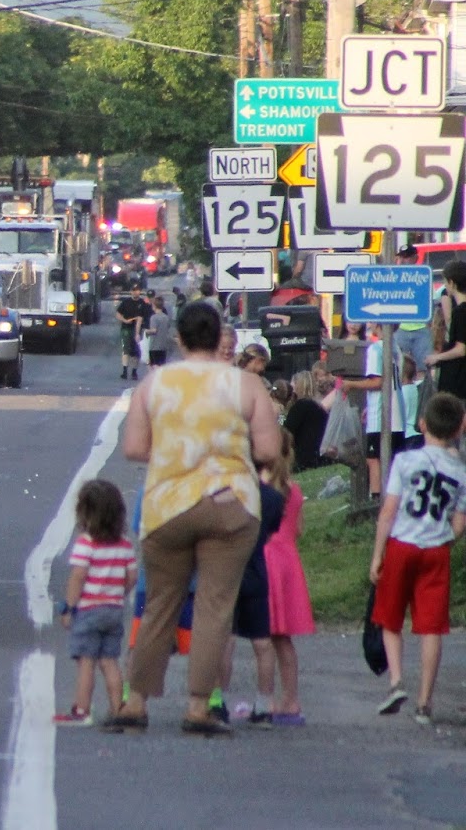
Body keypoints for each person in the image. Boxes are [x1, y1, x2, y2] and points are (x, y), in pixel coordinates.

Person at [108, 302, 280, 737]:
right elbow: (268, 451)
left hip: (167, 505)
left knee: (160, 605)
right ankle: (200, 706)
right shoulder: (247, 385)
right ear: (220, 336)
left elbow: (132, 447)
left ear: (179, 339)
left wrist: (174, 455)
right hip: (231, 504)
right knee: (214, 606)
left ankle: (135, 701)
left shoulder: (154, 384)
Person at [368, 392, 466, 725]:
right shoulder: (460, 471)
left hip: (402, 544)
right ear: (458, 429)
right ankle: (425, 702)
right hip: (436, 551)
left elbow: (389, 511)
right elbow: (459, 524)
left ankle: (396, 681)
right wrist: (442, 537)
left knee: (390, 617)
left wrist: (377, 554)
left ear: (421, 424)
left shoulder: (405, 461)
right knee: (431, 626)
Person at [53, 480, 138, 727]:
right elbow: (131, 576)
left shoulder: (86, 544)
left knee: (86, 662)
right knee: (109, 660)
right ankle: (118, 707)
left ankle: (81, 709)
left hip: (89, 610)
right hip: (114, 610)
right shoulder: (124, 545)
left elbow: (78, 576)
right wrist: (118, 593)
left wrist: (69, 608)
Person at [212, 441, 285, 728]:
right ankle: (264, 704)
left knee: (225, 640)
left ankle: (218, 701)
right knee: (262, 643)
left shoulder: (224, 497)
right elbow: (270, 533)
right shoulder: (272, 499)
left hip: (227, 572)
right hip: (256, 572)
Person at [263, 431, 314, 726]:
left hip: (267, 558)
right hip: (287, 561)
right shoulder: (293, 489)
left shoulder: (261, 488)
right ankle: (290, 698)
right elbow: (296, 529)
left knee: (265, 638)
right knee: (282, 638)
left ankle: (267, 698)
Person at [349, 328, 415, 495]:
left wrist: (351, 385)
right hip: (397, 412)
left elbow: (378, 382)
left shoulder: (375, 349)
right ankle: (396, 496)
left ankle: (377, 499)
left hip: (381, 415)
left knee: (373, 459)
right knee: (393, 460)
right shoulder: (396, 348)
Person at [425, 261, 466, 403]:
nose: (445, 285)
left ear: (452, 283)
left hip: (457, 381)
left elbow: (461, 349)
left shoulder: (460, 312)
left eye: (445, 281)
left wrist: (437, 358)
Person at [395, 246, 436, 375]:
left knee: (423, 368)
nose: (403, 260)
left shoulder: (423, 275)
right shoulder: (395, 276)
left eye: (406, 256)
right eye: (401, 256)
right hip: (400, 328)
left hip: (421, 328)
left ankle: (420, 394)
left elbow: (429, 300)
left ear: (415, 258)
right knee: (399, 367)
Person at [283, 370, 330, 473]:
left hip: (305, 458)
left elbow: (287, 431)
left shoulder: (300, 406)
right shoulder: (318, 406)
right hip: (322, 456)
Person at [116, 283, 151, 381]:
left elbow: (146, 316)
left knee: (136, 351)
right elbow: (118, 314)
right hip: (126, 328)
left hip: (138, 330)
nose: (136, 292)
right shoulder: (126, 302)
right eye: (134, 290)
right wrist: (124, 320)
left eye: (137, 290)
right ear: (131, 291)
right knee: (125, 349)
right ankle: (125, 370)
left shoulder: (143, 303)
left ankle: (134, 371)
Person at [145, 295, 174, 367]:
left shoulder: (154, 317)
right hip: (163, 345)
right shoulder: (166, 317)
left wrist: (146, 331)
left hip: (154, 346)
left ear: (154, 305)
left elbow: (154, 330)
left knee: (153, 366)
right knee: (161, 365)